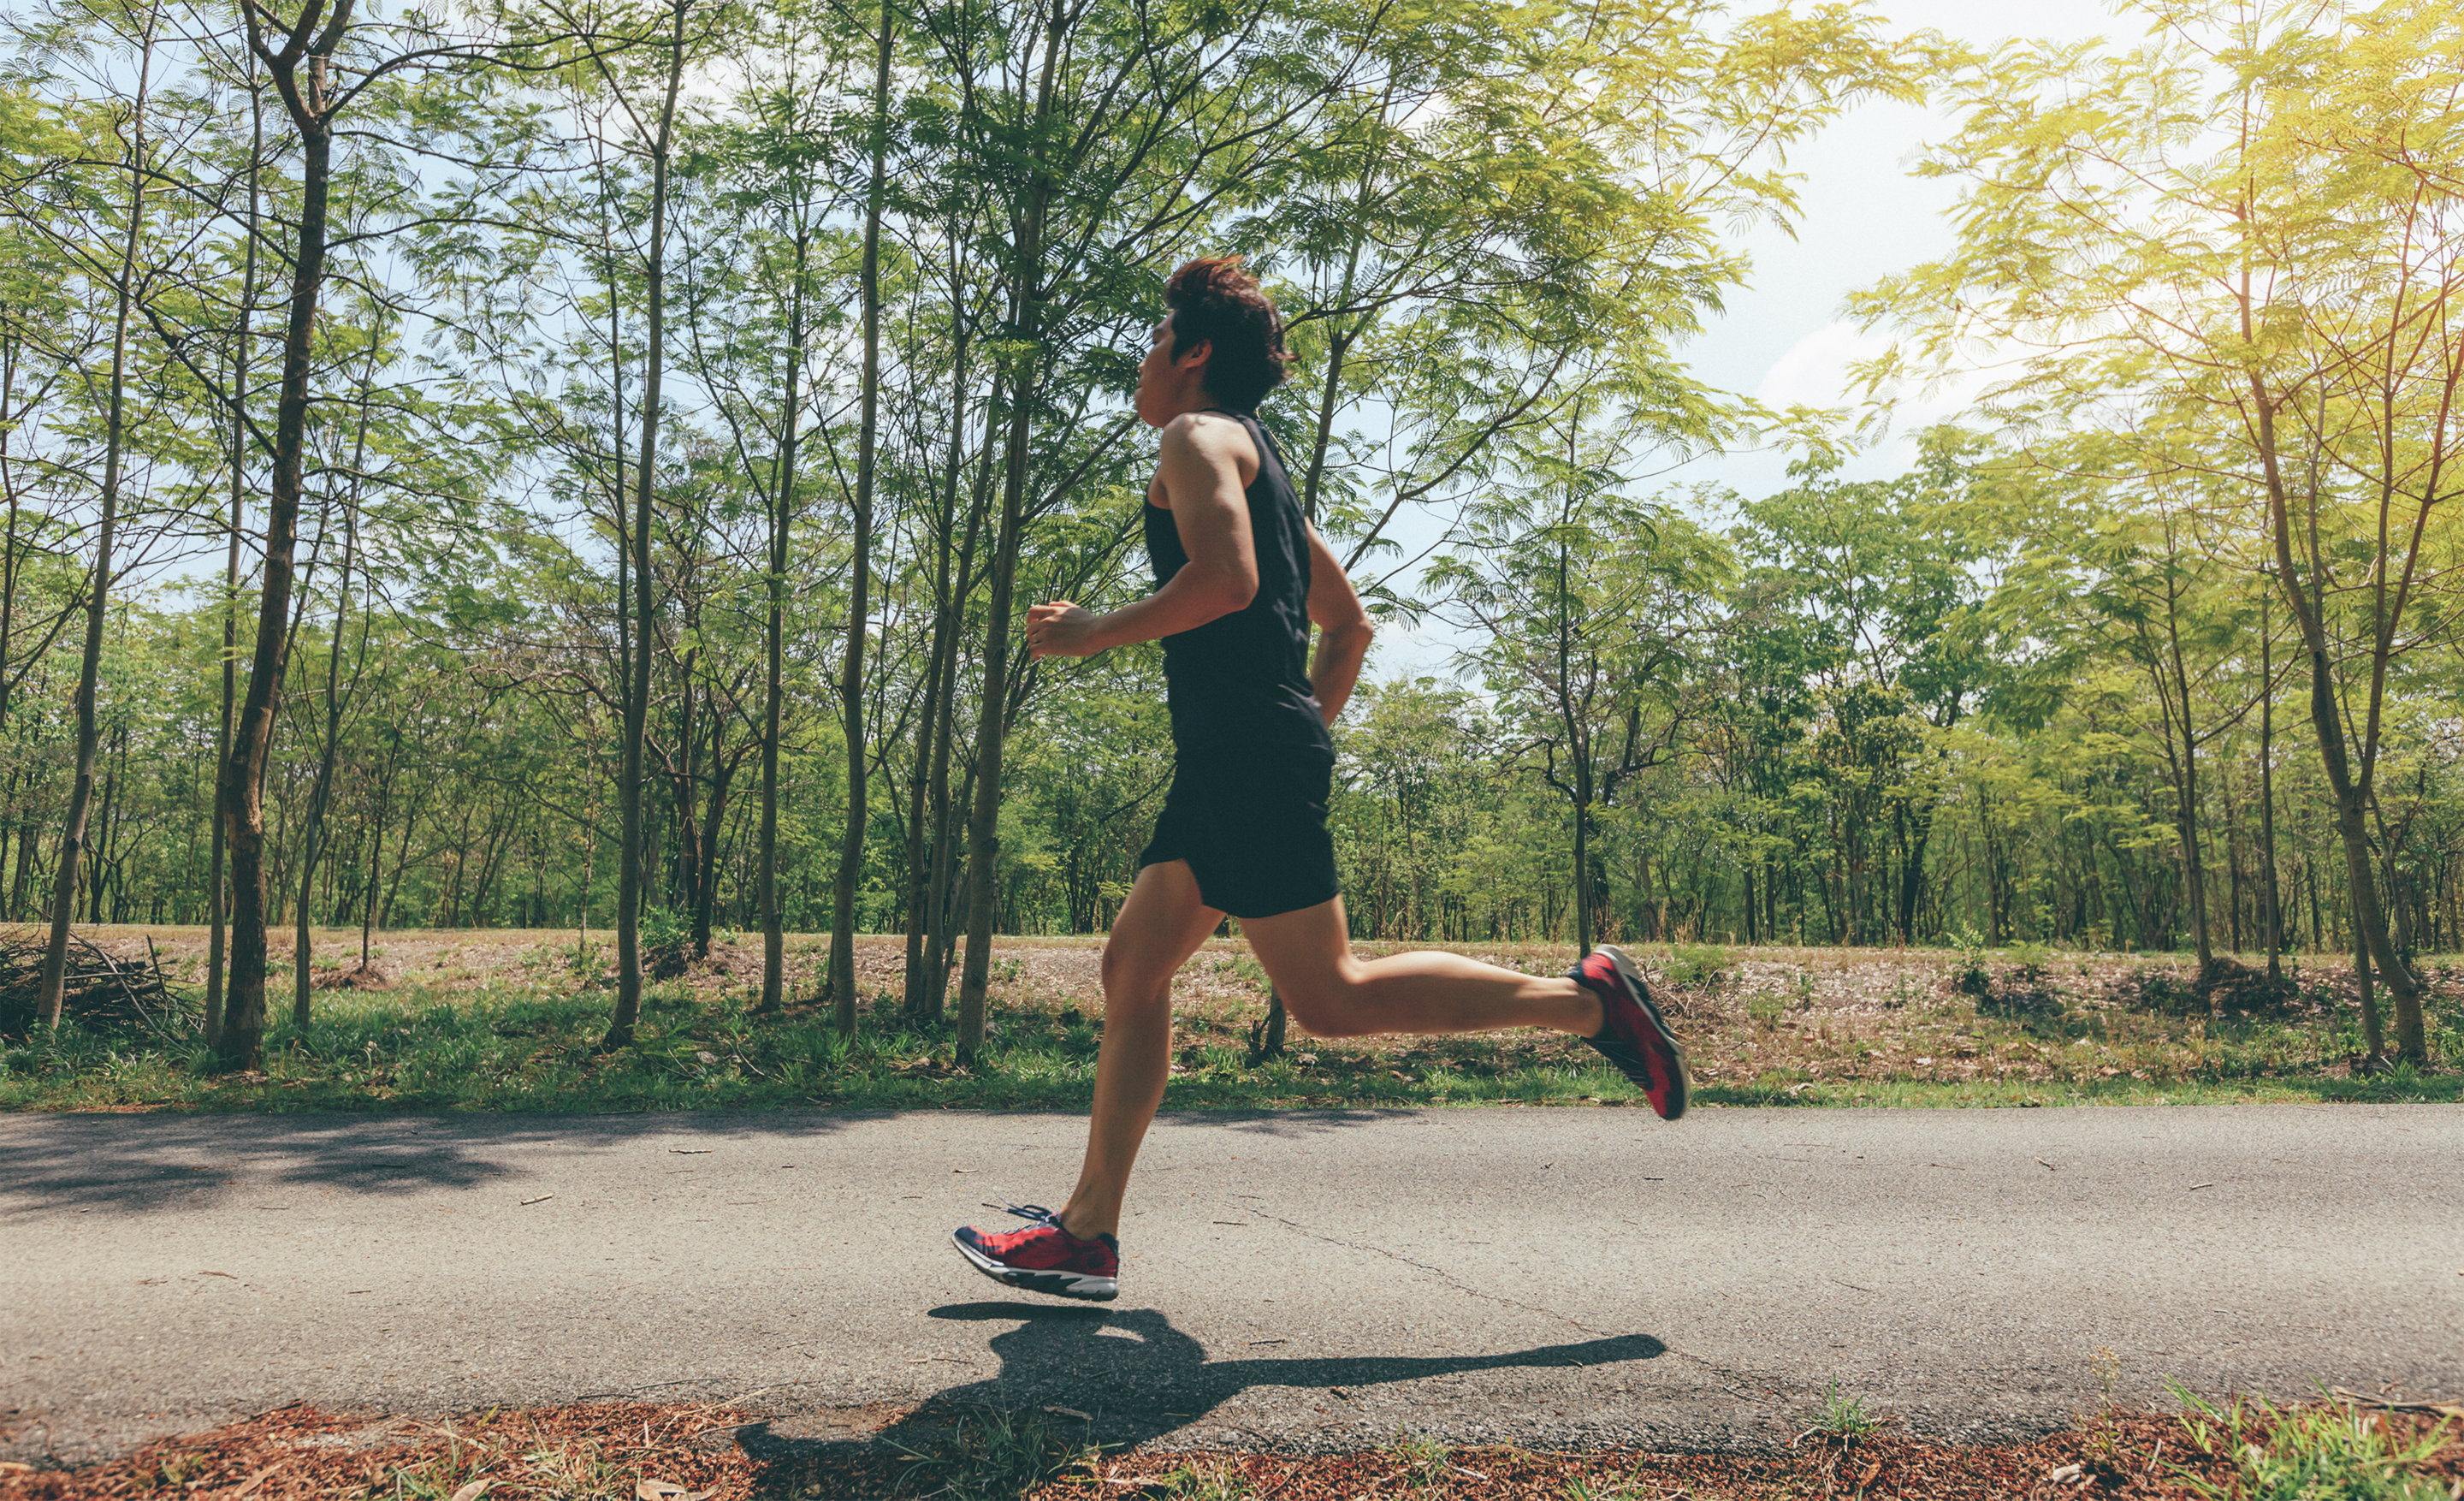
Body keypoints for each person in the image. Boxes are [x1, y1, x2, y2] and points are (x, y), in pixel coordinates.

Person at [951, 257, 1687, 1303]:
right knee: (1133, 969)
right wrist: (1297, 731)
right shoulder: (1259, 463)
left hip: (1245, 753)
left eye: (1156, 338)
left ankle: (1586, 1004)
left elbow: (1227, 581)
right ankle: (1087, 1231)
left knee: (1331, 997)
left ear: (1195, 352)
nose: (1142, 359)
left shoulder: (1196, 436)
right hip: (1239, 755)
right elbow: (1348, 625)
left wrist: (1095, 631)